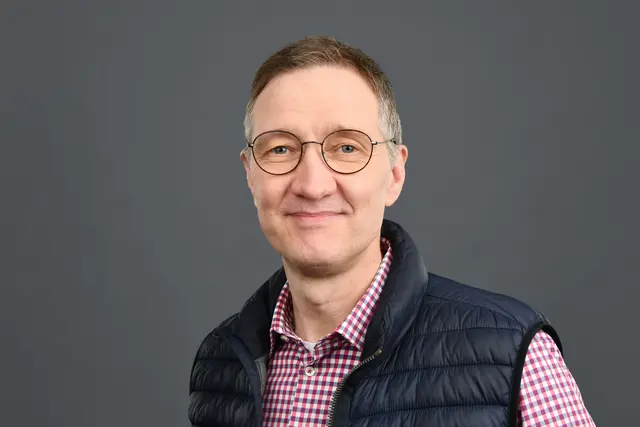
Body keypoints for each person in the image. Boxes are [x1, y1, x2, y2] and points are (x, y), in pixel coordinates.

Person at [188, 36, 595, 427]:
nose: (313, 185)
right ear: (251, 175)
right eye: (280, 149)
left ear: (395, 174)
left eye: (347, 148)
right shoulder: (220, 363)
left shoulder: (514, 354)